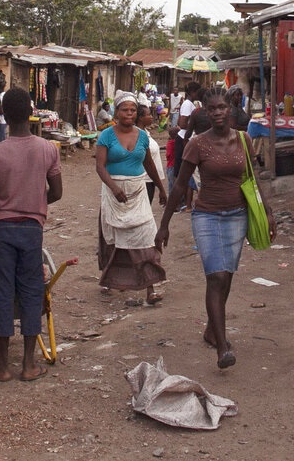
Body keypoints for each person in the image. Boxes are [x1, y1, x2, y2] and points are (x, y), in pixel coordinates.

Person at [155, 87, 276, 369]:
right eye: (213, 109)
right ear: (205, 113)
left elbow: (253, 179)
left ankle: (212, 329)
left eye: (222, 107)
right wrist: (164, 224)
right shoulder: (198, 144)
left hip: (238, 215)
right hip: (207, 216)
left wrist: (268, 212)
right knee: (216, 276)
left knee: (227, 276)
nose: (219, 112)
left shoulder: (244, 140)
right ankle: (222, 347)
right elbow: (181, 184)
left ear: (230, 109)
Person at [0, 87, 63, 382]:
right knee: (31, 290)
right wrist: (34, 200)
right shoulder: (48, 149)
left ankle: (1, 365)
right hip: (31, 228)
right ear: (30, 112)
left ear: (2, 115)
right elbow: (58, 192)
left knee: (1, 291)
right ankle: (28, 364)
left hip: (1, 228)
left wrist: (5, 199)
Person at [95, 91, 168, 305]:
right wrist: (114, 187)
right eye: (124, 110)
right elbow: (100, 167)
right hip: (113, 193)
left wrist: (161, 188)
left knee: (146, 237)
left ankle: (150, 289)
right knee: (113, 239)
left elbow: (149, 164)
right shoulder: (106, 136)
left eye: (132, 110)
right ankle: (111, 280)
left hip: (137, 192)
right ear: (116, 112)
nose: (129, 114)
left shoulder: (142, 136)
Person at [137, 103, 166, 204]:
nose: (151, 117)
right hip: (143, 181)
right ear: (140, 118)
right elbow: (148, 163)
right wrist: (161, 189)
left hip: (150, 180)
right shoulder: (138, 135)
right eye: (148, 115)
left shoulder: (145, 133)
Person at [172, 81, 201, 179]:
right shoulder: (188, 104)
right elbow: (183, 123)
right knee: (182, 170)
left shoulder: (189, 104)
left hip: (185, 137)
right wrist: (195, 125)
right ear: (193, 92)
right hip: (183, 138)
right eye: (198, 92)